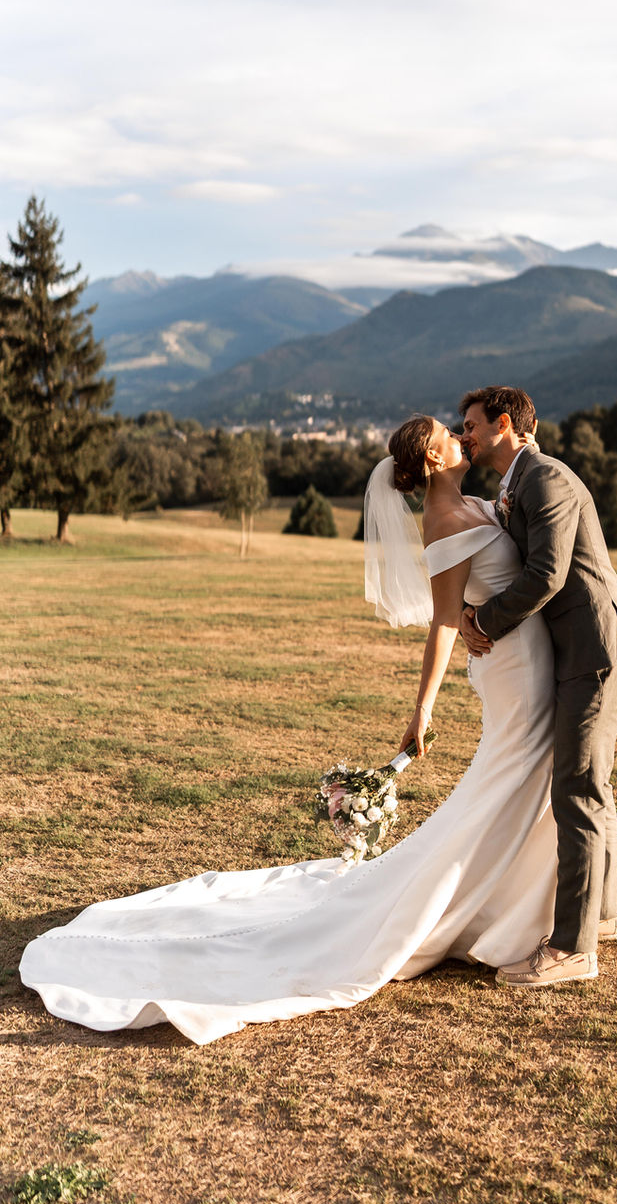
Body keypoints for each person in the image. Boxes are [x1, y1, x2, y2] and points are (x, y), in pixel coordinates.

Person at [19, 415, 562, 1044]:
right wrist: (423, 709)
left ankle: (512, 907)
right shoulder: (442, 525)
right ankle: (488, 914)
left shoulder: (473, 503)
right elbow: (443, 623)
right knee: (508, 780)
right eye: (451, 431)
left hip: (525, 661)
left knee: (516, 783)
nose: (461, 436)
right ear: (435, 458)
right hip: (512, 676)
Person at [459, 386, 617, 988]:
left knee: (576, 787)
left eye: (470, 425)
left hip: (596, 651)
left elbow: (547, 574)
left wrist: (484, 622)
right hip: (581, 651)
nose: (464, 435)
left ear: (504, 425)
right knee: (590, 782)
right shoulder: (515, 482)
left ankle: (572, 949)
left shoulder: (546, 479)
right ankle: (603, 915)